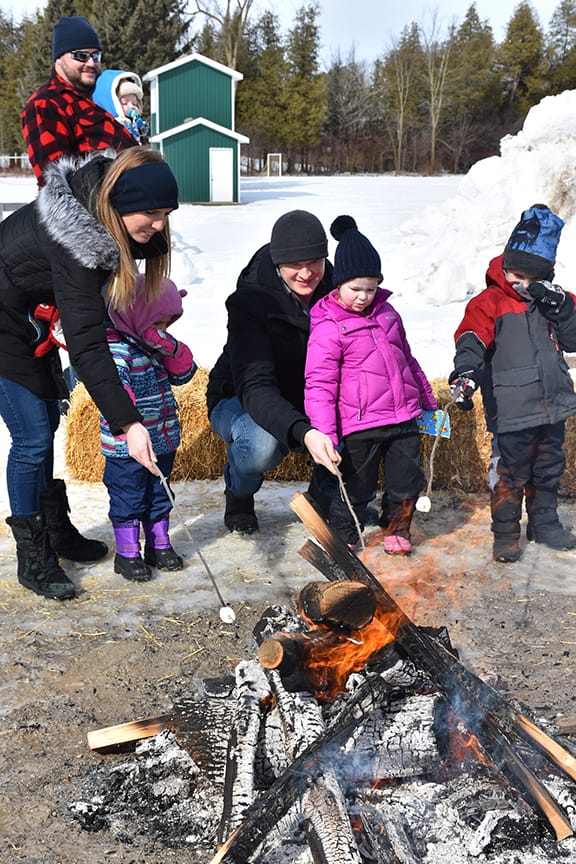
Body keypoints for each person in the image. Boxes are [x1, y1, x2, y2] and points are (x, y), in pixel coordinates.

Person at [0, 146, 180, 600]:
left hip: (28, 316)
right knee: (32, 435)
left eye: (166, 213)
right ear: (120, 206)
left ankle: (55, 527)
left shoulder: (110, 213)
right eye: (152, 213)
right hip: (3, 321)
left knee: (47, 417)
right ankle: (34, 556)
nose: (159, 224)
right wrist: (128, 422)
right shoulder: (77, 241)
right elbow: (87, 343)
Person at [449, 203, 576, 563]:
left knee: (550, 467)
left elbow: (574, 339)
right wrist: (466, 371)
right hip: (512, 410)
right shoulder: (489, 302)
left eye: (529, 278)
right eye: (514, 273)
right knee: (510, 472)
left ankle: (545, 524)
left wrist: (563, 308)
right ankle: (505, 533)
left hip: (553, 404)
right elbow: (471, 338)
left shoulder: (554, 300)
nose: (519, 283)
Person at [304, 215, 437, 554]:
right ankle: (345, 532)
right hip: (360, 423)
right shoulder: (329, 326)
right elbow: (319, 384)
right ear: (338, 285)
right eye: (355, 289)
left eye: (371, 288)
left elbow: (407, 358)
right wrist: (325, 433)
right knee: (357, 486)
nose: (364, 297)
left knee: (406, 481)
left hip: (403, 418)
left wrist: (426, 398)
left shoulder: (389, 314)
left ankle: (397, 527)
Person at [206, 210, 341, 534]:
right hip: (241, 398)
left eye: (315, 261)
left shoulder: (341, 293)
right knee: (261, 445)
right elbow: (256, 386)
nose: (307, 273)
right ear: (278, 262)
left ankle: (320, 499)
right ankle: (238, 493)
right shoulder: (249, 302)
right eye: (295, 264)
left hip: (309, 396)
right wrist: (303, 431)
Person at [101, 275, 196, 581]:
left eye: (168, 325)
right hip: (126, 446)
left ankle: (159, 544)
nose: (163, 331)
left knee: (160, 493)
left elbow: (184, 376)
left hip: (163, 440)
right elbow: (117, 390)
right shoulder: (118, 351)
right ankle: (127, 552)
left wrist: (171, 347)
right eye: (158, 324)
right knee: (129, 494)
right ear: (137, 315)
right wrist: (131, 427)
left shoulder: (155, 347)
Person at [21, 15, 137, 183]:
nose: (91, 63)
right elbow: (57, 185)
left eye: (95, 56)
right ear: (59, 60)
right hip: (101, 207)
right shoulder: (47, 104)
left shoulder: (102, 97)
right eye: (81, 56)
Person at [92, 70, 150, 145]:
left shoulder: (135, 126)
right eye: (124, 103)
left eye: (134, 103)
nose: (131, 106)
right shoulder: (109, 129)